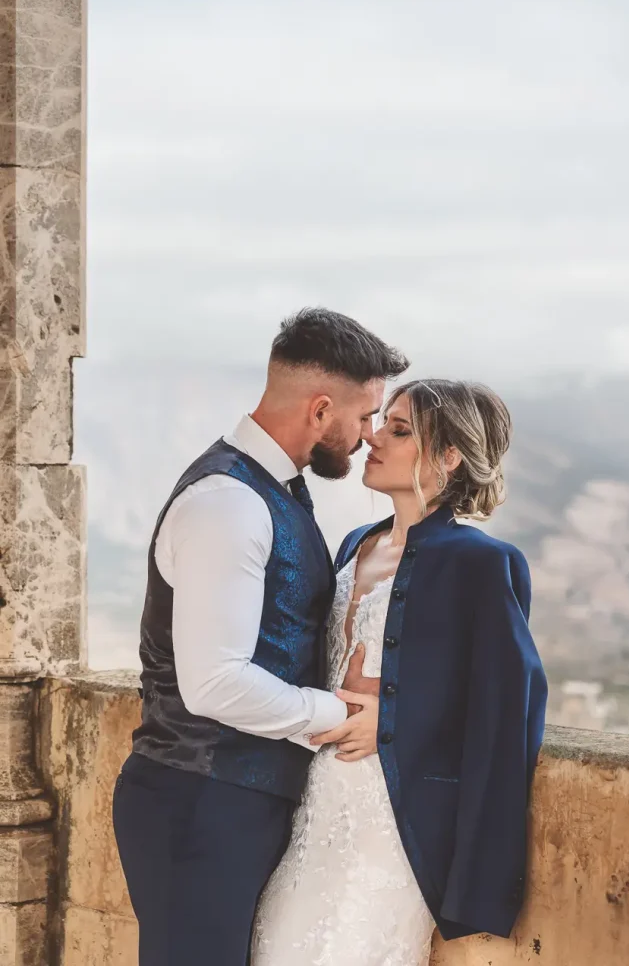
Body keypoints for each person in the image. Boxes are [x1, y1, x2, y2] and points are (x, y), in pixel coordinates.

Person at [111, 308, 409, 966]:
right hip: (199, 801)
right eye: (364, 417)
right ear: (321, 409)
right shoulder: (229, 503)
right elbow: (215, 683)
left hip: (227, 801)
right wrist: (337, 714)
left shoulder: (269, 490)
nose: (367, 436)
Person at [252, 378, 548, 965]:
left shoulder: (485, 564)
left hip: (392, 822)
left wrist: (397, 722)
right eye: (382, 423)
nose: (373, 439)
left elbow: (507, 710)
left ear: (449, 456)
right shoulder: (354, 545)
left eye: (400, 429)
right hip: (315, 805)